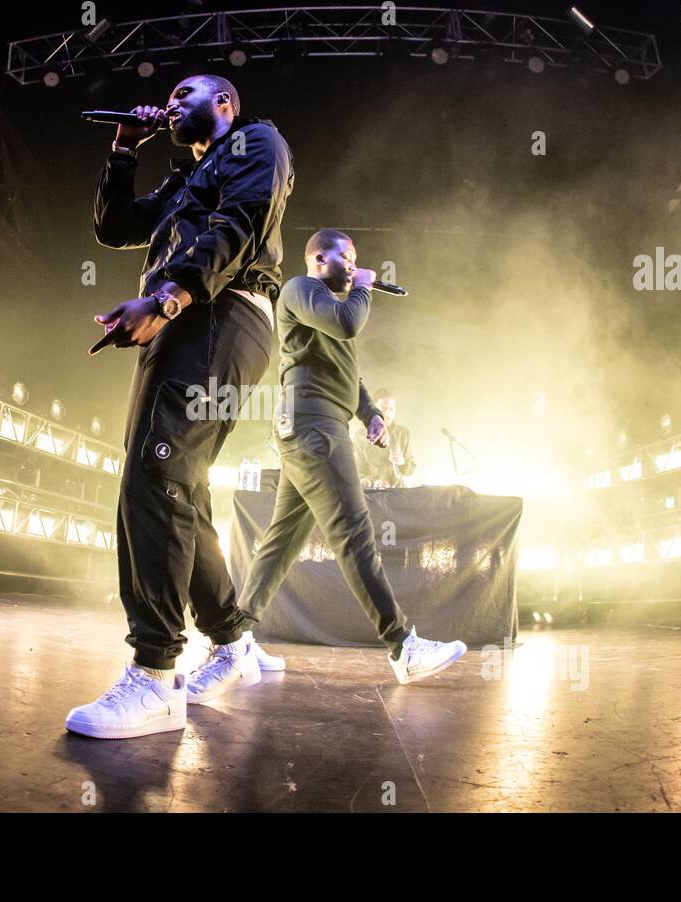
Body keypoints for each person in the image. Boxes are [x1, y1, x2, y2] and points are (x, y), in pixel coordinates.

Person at [64, 74, 294, 739]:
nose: (168, 101)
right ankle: (232, 642)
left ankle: (156, 675)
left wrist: (169, 298)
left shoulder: (258, 141)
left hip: (219, 312)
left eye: (184, 92)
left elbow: (241, 223)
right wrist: (123, 149)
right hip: (186, 319)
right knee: (180, 488)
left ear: (224, 104)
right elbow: (115, 228)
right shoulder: (178, 181)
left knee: (155, 474)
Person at [190, 229, 465, 702]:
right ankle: (402, 645)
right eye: (348, 257)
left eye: (357, 258)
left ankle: (238, 638)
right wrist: (363, 286)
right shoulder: (302, 289)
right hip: (313, 425)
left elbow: (346, 369)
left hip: (316, 425)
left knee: (279, 543)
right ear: (320, 258)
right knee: (353, 533)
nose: (356, 264)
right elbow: (348, 325)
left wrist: (371, 413)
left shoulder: (330, 306)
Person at [353, 389, 416, 488]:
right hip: (373, 494)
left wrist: (402, 462)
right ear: (373, 410)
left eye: (391, 409)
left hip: (399, 492)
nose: (388, 414)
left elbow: (411, 469)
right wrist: (374, 483)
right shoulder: (360, 437)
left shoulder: (403, 433)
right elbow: (357, 473)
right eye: (383, 409)